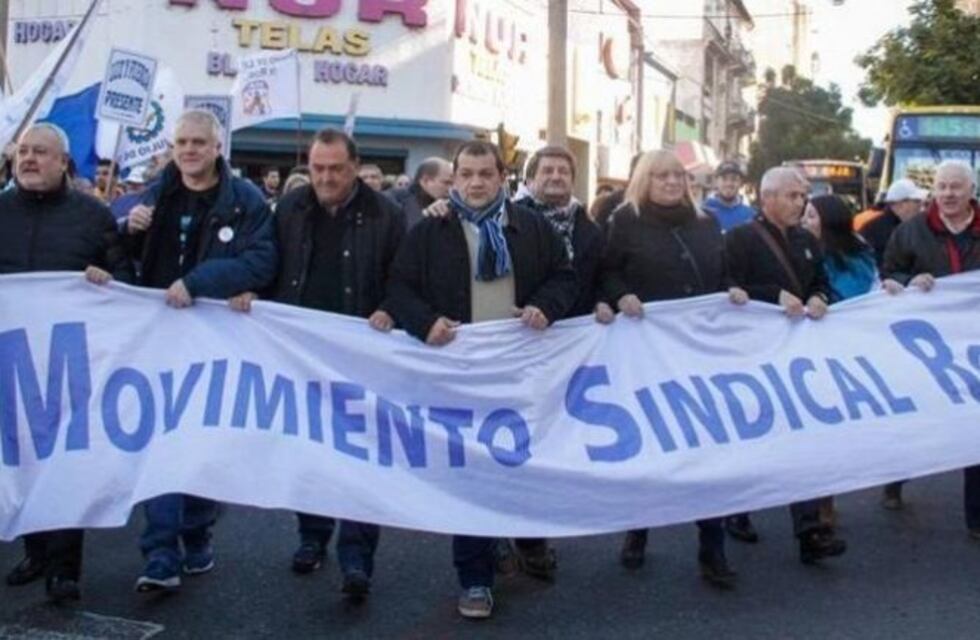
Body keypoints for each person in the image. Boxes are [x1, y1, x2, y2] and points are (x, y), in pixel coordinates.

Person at [383, 140, 577, 619]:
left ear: (501, 177)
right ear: (453, 178)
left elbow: (567, 277)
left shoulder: (531, 227)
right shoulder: (431, 230)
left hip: (520, 371)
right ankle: (474, 577)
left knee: (520, 464)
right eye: (465, 174)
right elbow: (398, 286)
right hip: (459, 374)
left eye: (484, 174)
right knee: (471, 473)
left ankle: (523, 541)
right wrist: (424, 321)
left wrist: (546, 307)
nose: (474, 183)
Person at [237, 129, 404, 601]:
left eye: (335, 168)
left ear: (354, 167)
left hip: (362, 356)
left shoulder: (386, 213)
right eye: (317, 169)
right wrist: (254, 292)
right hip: (300, 354)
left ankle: (357, 559)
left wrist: (391, 307)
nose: (326, 177)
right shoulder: (289, 209)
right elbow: (269, 265)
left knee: (360, 457)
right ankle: (312, 535)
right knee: (308, 450)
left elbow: (405, 275)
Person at [124, 109, 277, 593]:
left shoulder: (245, 200)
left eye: (198, 142)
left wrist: (198, 282)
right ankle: (161, 554)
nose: (188, 150)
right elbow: (119, 257)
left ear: (217, 148)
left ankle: (197, 531)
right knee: (162, 444)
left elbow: (262, 260)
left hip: (215, 343)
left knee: (203, 445)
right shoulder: (155, 195)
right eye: (181, 142)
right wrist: (130, 231)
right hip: (159, 342)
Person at [0, 123, 132, 603]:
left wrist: (108, 277)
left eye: (40, 153)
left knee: (66, 460)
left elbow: (125, 275)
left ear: (63, 162)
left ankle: (64, 568)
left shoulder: (93, 216)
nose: (29, 160)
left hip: (68, 360)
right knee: (19, 458)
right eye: (23, 153)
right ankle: (35, 551)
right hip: (9, 360)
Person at [603, 150, 748, 588]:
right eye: (660, 175)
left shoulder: (706, 223)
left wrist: (732, 292)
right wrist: (620, 294)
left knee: (707, 449)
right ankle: (638, 528)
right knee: (652, 445)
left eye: (677, 175)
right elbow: (606, 273)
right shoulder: (624, 221)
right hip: (647, 354)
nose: (670, 182)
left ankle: (712, 545)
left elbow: (721, 275)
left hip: (701, 354)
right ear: (645, 180)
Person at [484, 145, 608, 582]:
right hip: (515, 347)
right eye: (547, 169)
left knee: (545, 446)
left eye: (563, 170)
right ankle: (497, 534)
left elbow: (601, 278)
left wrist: (608, 301)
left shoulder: (590, 228)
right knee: (504, 443)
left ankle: (532, 538)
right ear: (531, 177)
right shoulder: (500, 219)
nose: (556, 176)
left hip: (570, 353)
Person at [725, 166, 848, 564]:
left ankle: (810, 529)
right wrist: (770, 295)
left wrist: (819, 298)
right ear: (768, 198)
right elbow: (725, 290)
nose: (802, 203)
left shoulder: (806, 241)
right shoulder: (740, 239)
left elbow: (820, 283)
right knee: (754, 438)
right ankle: (737, 509)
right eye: (794, 196)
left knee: (803, 437)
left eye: (803, 196)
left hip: (798, 357)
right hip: (753, 355)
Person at [881, 160, 980, 528]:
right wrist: (906, 279)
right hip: (926, 348)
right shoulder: (911, 231)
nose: (948, 194)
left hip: (974, 343)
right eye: (942, 187)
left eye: (956, 187)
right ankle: (895, 477)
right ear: (933, 192)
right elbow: (888, 271)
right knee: (918, 418)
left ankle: (976, 518)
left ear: (971, 190)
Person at [800, 194, 879, 527]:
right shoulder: (800, 252)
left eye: (811, 216)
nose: (804, 222)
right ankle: (817, 504)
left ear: (829, 222)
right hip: (810, 355)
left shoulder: (860, 259)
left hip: (847, 354)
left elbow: (868, 297)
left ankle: (825, 498)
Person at [857, 178, 928, 268]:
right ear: (899, 205)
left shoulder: (909, 226)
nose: (921, 206)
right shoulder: (879, 232)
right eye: (916, 201)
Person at [385, 157, 453, 229]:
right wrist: (426, 215)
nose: (451, 189)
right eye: (446, 183)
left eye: (452, 183)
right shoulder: (394, 201)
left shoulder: (447, 205)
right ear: (425, 181)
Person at [702, 161, 755, 232]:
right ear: (716, 181)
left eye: (734, 179)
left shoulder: (750, 214)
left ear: (740, 183)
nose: (729, 183)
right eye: (724, 179)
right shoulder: (704, 213)